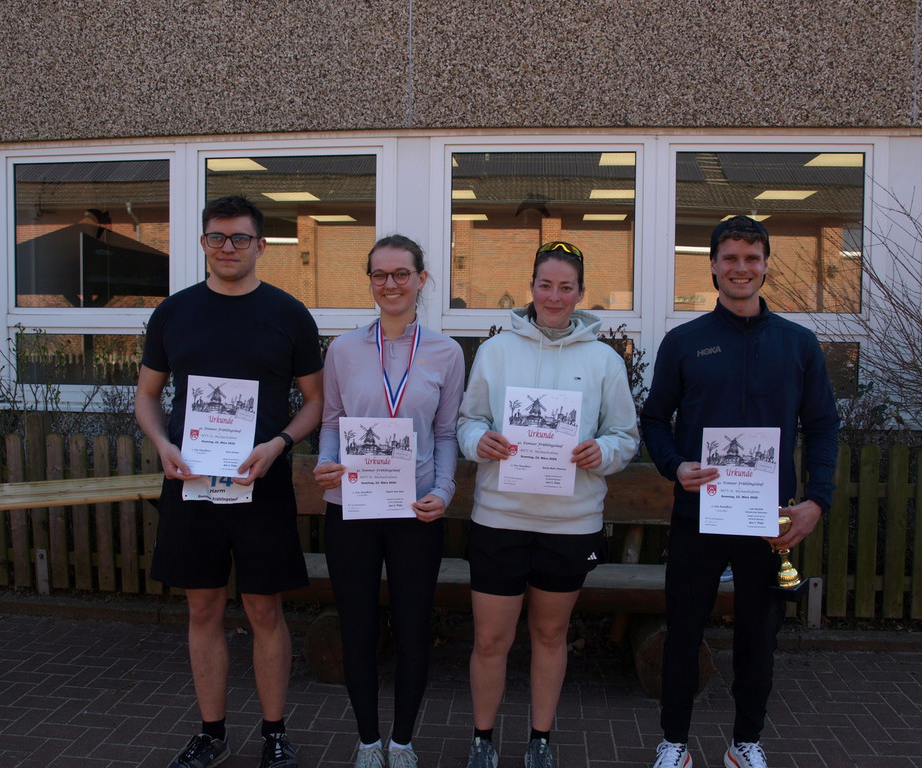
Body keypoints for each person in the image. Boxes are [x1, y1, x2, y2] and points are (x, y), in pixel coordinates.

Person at [640, 216, 839, 768]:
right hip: (698, 514)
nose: (741, 268)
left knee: (759, 637)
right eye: (730, 258)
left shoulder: (798, 344)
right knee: (683, 632)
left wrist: (817, 500)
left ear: (766, 265)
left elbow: (823, 424)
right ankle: (674, 743)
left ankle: (745, 743)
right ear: (712, 265)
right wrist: (675, 465)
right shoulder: (685, 342)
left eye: (751, 258)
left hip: (767, 520)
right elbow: (654, 419)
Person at [135, 195, 324, 768]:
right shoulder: (174, 313)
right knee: (203, 610)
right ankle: (211, 733)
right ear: (202, 243)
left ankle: (275, 734)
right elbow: (147, 396)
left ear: (261, 245)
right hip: (191, 481)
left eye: (240, 238)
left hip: (261, 483)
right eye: (217, 237)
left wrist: (280, 443)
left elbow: (315, 402)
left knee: (265, 611)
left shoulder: (290, 314)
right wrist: (163, 444)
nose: (228, 247)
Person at [456, 242, 640, 768]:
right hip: (500, 518)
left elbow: (624, 436)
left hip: (570, 524)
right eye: (545, 285)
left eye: (565, 287)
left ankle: (540, 740)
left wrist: (602, 451)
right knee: (490, 638)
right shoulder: (496, 351)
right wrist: (479, 441)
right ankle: (482, 740)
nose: (554, 296)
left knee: (550, 633)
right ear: (531, 288)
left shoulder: (604, 360)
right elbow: (469, 421)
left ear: (580, 293)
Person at [313, 235, 465, 768]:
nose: (390, 284)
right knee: (356, 627)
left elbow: (445, 433)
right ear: (370, 281)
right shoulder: (343, 350)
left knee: (413, 628)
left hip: (415, 512)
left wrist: (443, 491)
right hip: (351, 506)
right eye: (380, 274)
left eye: (402, 273)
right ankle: (367, 741)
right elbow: (331, 423)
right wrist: (324, 461)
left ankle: (401, 742)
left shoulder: (446, 352)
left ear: (421, 279)